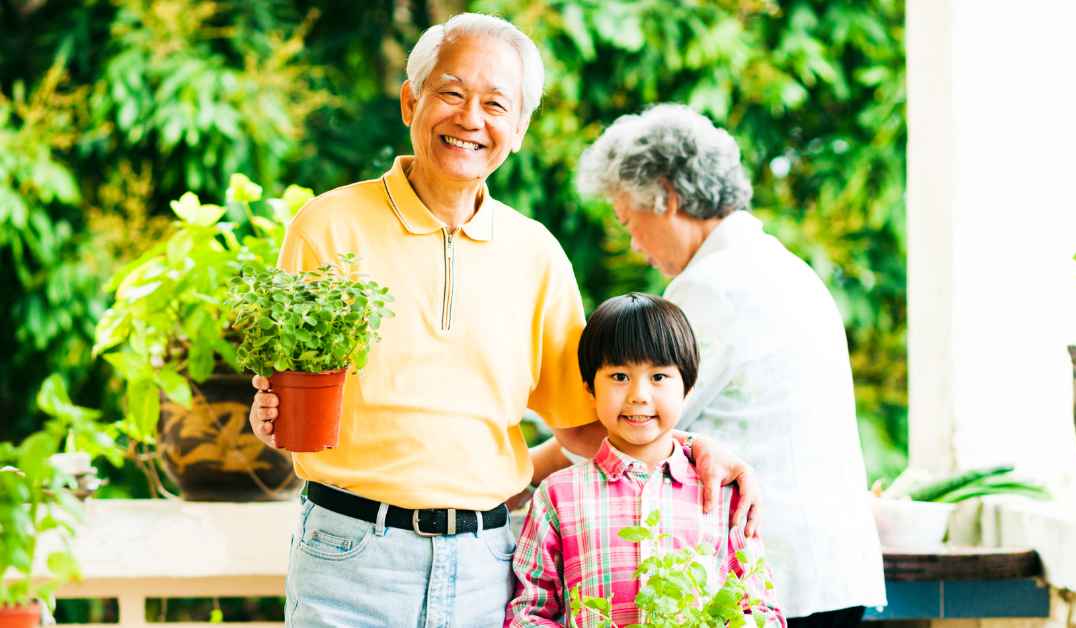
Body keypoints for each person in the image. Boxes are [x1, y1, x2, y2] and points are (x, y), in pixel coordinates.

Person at [245, 17, 759, 628]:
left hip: (488, 565)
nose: (470, 119)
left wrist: (692, 453)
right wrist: (268, 417)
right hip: (349, 556)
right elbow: (292, 401)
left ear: (517, 130)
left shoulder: (536, 253)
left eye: (495, 104)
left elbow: (586, 424)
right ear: (412, 99)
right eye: (452, 93)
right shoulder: (327, 225)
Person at [572, 104, 887, 627]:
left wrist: (522, 467)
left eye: (630, 220)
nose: (633, 243)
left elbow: (633, 428)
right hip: (826, 567)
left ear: (667, 198)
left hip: (781, 576)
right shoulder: (778, 265)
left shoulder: (712, 285)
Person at [506, 293, 785, 628]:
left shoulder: (724, 493)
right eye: (619, 376)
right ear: (589, 388)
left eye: (658, 377)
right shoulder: (558, 497)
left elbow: (761, 609)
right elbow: (528, 612)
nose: (639, 394)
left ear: (688, 388)